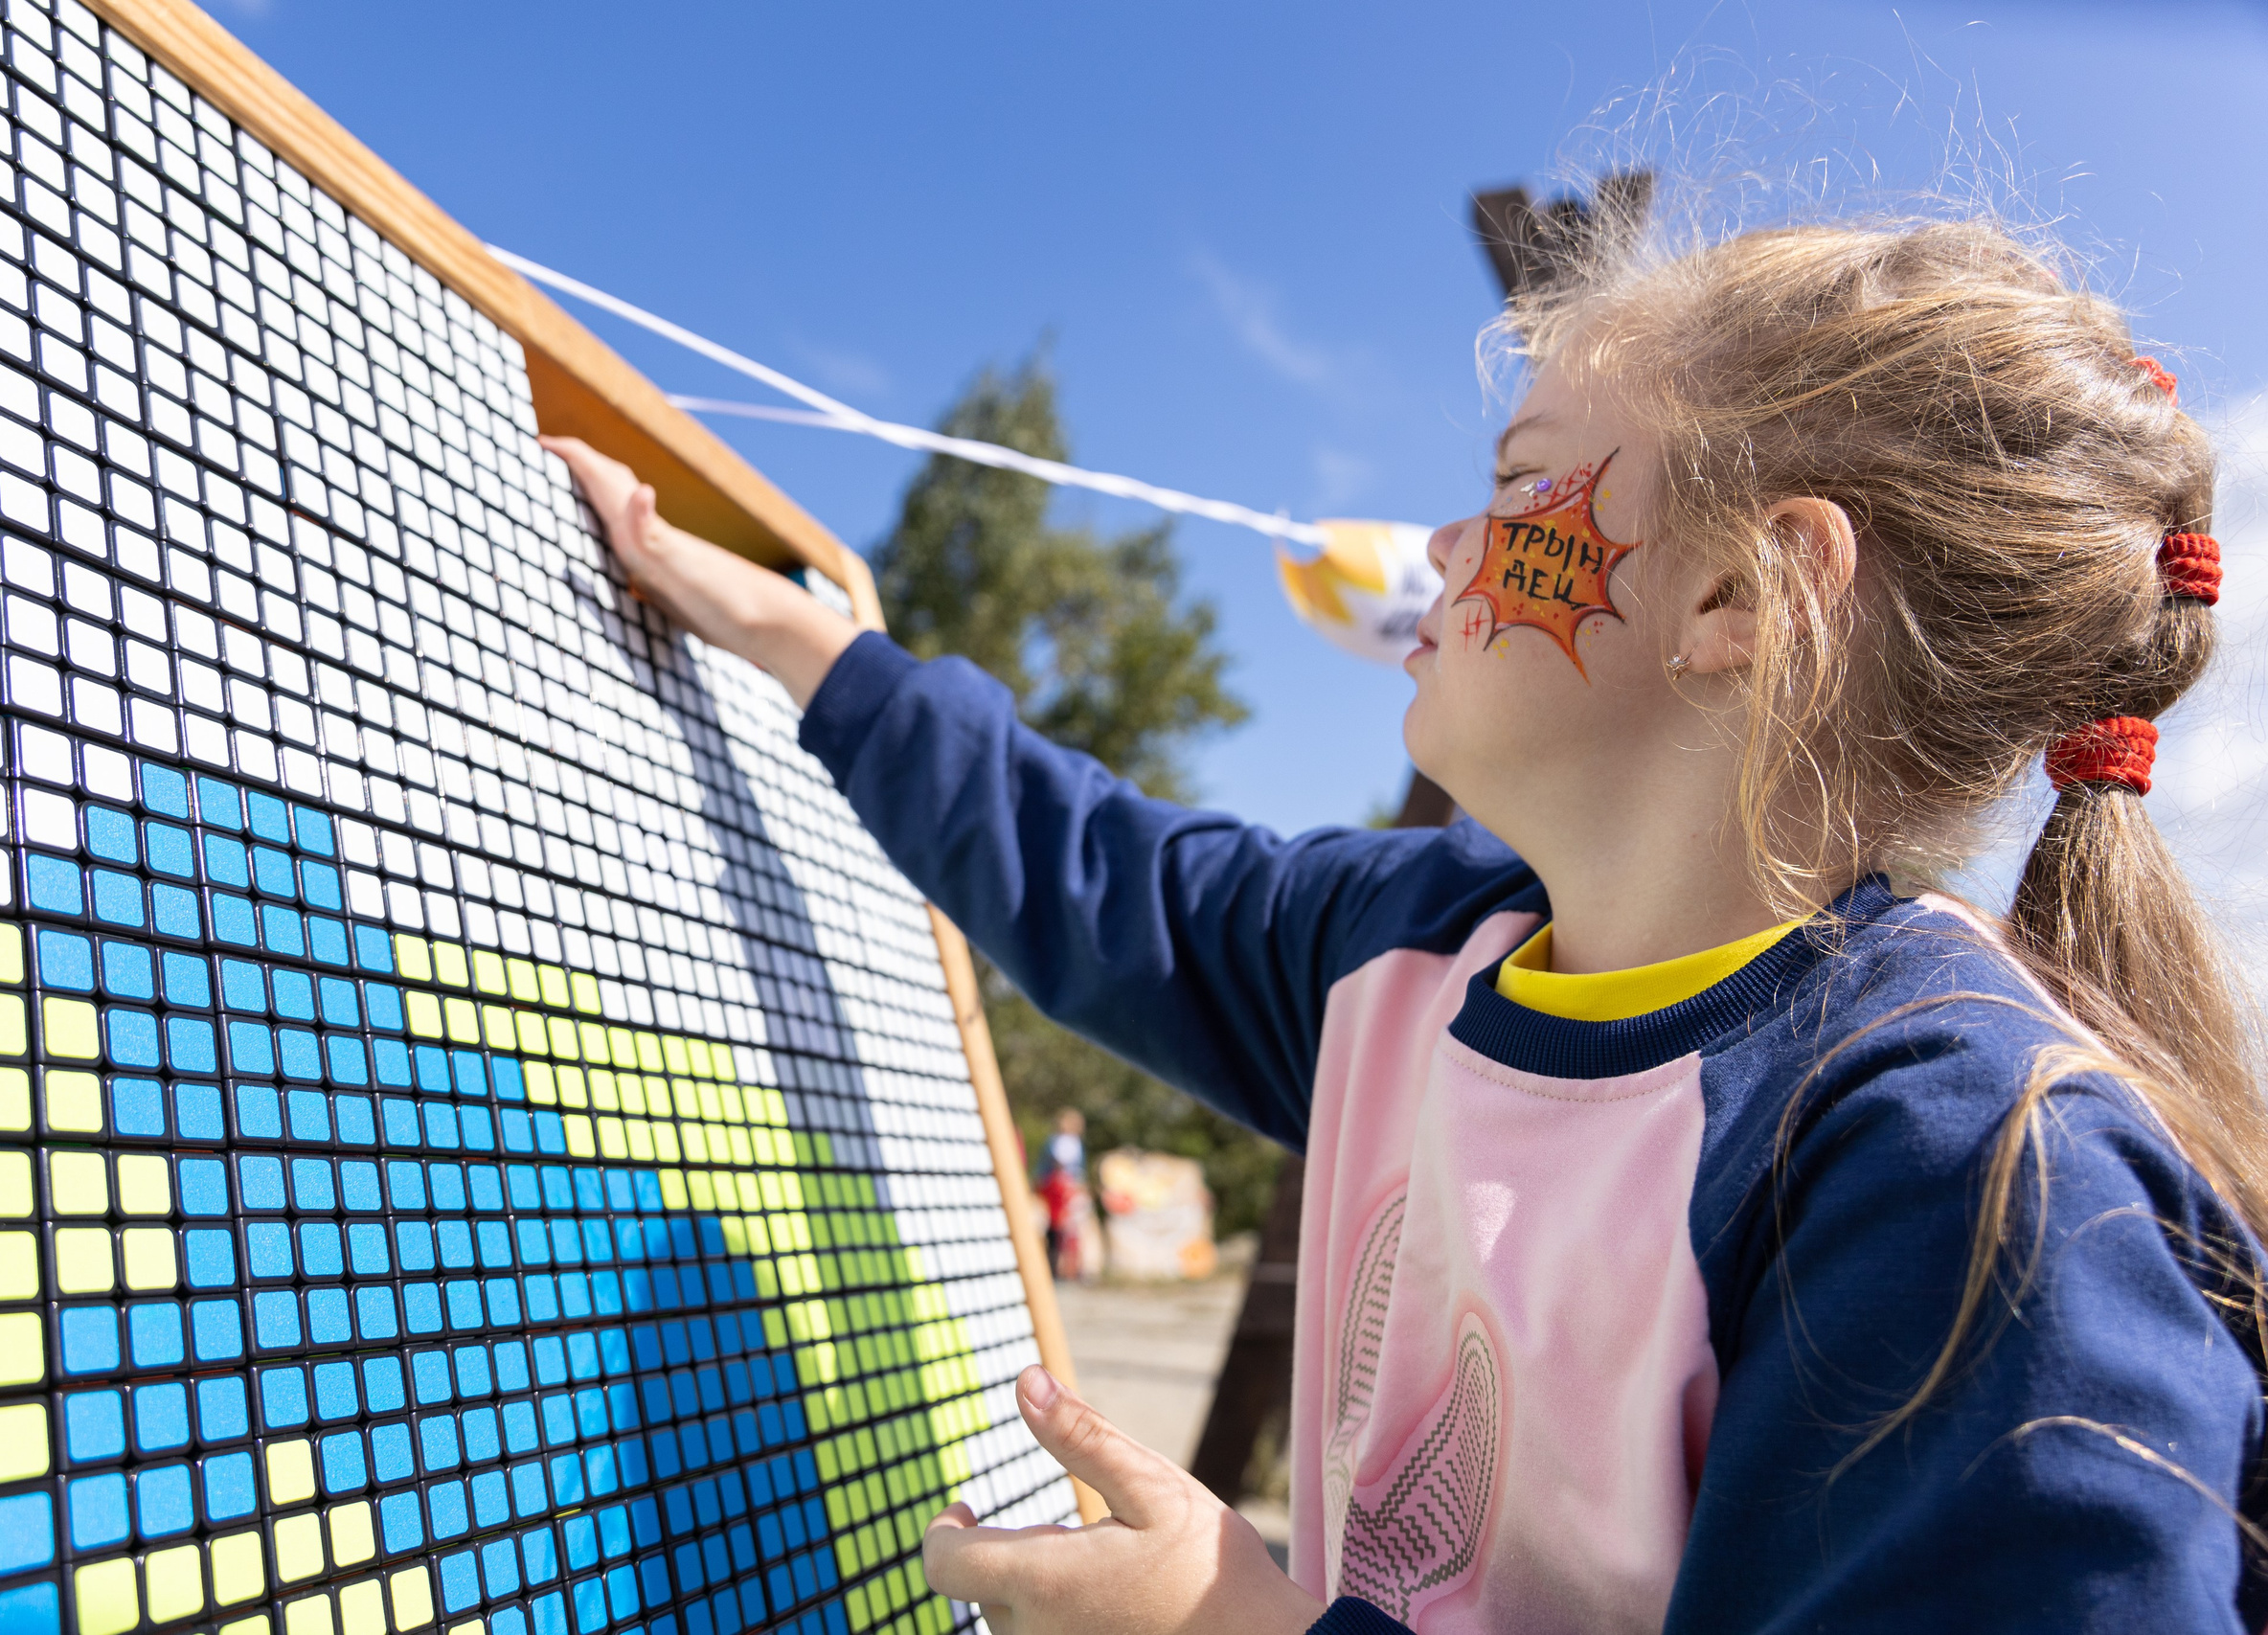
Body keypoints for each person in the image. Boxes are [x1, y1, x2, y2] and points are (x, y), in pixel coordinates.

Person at [543, 215, 2268, 1634]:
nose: (1447, 542)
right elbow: (1101, 873)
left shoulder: (1973, 1176)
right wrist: (800, 646)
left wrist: (1244, 1624)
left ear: (1741, 595)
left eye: (1524, 486)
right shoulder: (1411, 948)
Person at [1034, 1107, 1093, 1280]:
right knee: (1055, 1228)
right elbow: (1049, 1166)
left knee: (1073, 1230)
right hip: (1057, 1189)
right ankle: (1053, 1268)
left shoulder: (1076, 1144)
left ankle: (1072, 1269)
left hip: (1070, 1189)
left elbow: (1079, 1170)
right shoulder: (1055, 1142)